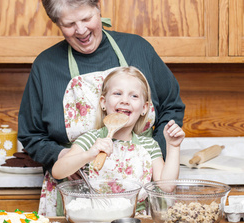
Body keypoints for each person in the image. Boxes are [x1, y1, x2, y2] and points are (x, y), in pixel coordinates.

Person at [18, 0, 185, 216]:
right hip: (75, 200)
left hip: (139, 199)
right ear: (56, 24)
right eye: (69, 24)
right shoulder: (46, 65)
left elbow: (171, 108)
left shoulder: (138, 49)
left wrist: (151, 156)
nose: (81, 30)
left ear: (98, 6)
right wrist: (67, 156)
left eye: (86, 18)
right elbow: (31, 135)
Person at [52, 66, 185, 213]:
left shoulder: (149, 146)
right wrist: (88, 155)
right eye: (117, 93)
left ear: (144, 108)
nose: (125, 100)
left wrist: (173, 147)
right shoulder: (90, 140)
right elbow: (58, 171)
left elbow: (167, 186)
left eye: (134, 96)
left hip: (135, 222)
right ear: (103, 102)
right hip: (94, 217)